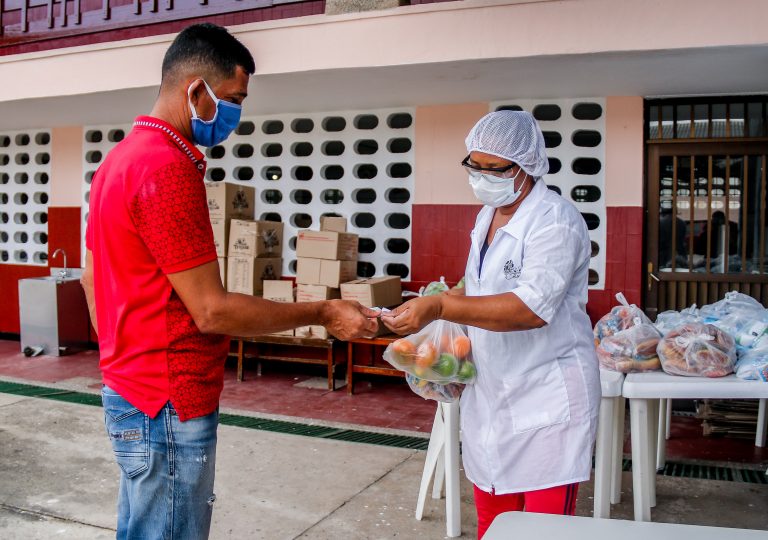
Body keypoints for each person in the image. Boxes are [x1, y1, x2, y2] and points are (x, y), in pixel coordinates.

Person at [80, 23, 378, 540]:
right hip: (169, 403)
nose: (236, 115)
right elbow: (212, 311)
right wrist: (322, 313)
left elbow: (90, 277)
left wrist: (122, 359)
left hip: (131, 390)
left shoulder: (118, 161)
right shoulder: (165, 166)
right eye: (234, 99)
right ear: (196, 90)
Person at [382, 111, 600, 538]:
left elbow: (528, 310)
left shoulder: (555, 222)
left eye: (494, 169)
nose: (482, 178)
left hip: (546, 398)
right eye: (474, 166)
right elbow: (478, 293)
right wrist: (438, 336)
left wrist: (443, 308)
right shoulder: (488, 216)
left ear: (527, 166)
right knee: (493, 523)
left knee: (542, 530)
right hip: (493, 395)